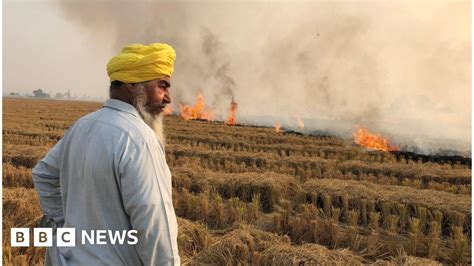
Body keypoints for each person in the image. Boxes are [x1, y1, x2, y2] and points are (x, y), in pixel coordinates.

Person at [32, 43, 180, 265]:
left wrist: (66, 226)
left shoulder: (81, 126)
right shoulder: (140, 139)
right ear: (132, 84)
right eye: (162, 86)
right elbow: (155, 227)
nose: (168, 98)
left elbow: (43, 174)